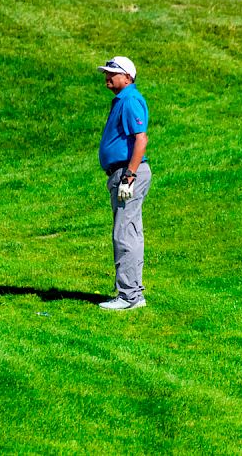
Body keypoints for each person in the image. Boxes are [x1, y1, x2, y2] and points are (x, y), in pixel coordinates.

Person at [97, 56, 152, 311]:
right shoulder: (123, 99)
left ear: (127, 77)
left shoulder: (129, 99)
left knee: (124, 233)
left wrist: (129, 176)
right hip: (124, 172)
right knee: (129, 231)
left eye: (112, 73)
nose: (107, 77)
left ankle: (129, 296)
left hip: (128, 173)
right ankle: (133, 292)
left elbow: (141, 140)